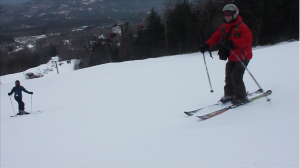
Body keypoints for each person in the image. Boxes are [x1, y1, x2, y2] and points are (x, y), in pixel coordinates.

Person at [199, 4, 253, 105]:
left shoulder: (241, 26)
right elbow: (216, 37)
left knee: (235, 76)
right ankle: (229, 94)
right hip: (232, 56)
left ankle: (241, 97)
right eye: (225, 14)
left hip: (243, 56)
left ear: (235, 14)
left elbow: (248, 40)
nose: (227, 16)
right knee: (228, 76)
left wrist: (234, 42)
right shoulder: (224, 27)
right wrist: (206, 45)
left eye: (229, 14)